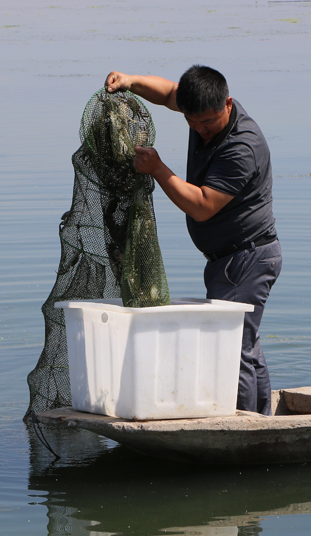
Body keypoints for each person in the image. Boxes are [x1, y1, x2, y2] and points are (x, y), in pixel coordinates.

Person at [104, 65, 282, 415]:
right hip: (229, 259)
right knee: (246, 345)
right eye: (192, 122)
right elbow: (170, 93)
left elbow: (202, 206)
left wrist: (158, 169)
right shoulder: (201, 109)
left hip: (245, 258)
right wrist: (132, 82)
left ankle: (243, 429)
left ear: (227, 104)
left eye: (207, 123)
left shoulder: (242, 146)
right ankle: (261, 420)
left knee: (232, 350)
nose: (199, 130)